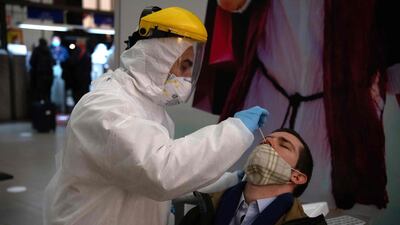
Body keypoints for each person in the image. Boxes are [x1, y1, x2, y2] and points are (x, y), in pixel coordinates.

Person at [43, 6, 268, 225]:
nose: (187, 76)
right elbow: (163, 171)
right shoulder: (105, 108)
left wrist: (230, 180)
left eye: (191, 66)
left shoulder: (149, 108)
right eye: (184, 65)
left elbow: (170, 170)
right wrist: (236, 130)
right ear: (156, 57)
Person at [193, 0, 399, 221]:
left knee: (340, 208)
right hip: (267, 97)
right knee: (236, 194)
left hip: (343, 122)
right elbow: (229, 4)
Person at [180, 128, 326, 225]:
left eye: (284, 145)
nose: (266, 141)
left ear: (296, 177)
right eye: (265, 139)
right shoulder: (201, 213)